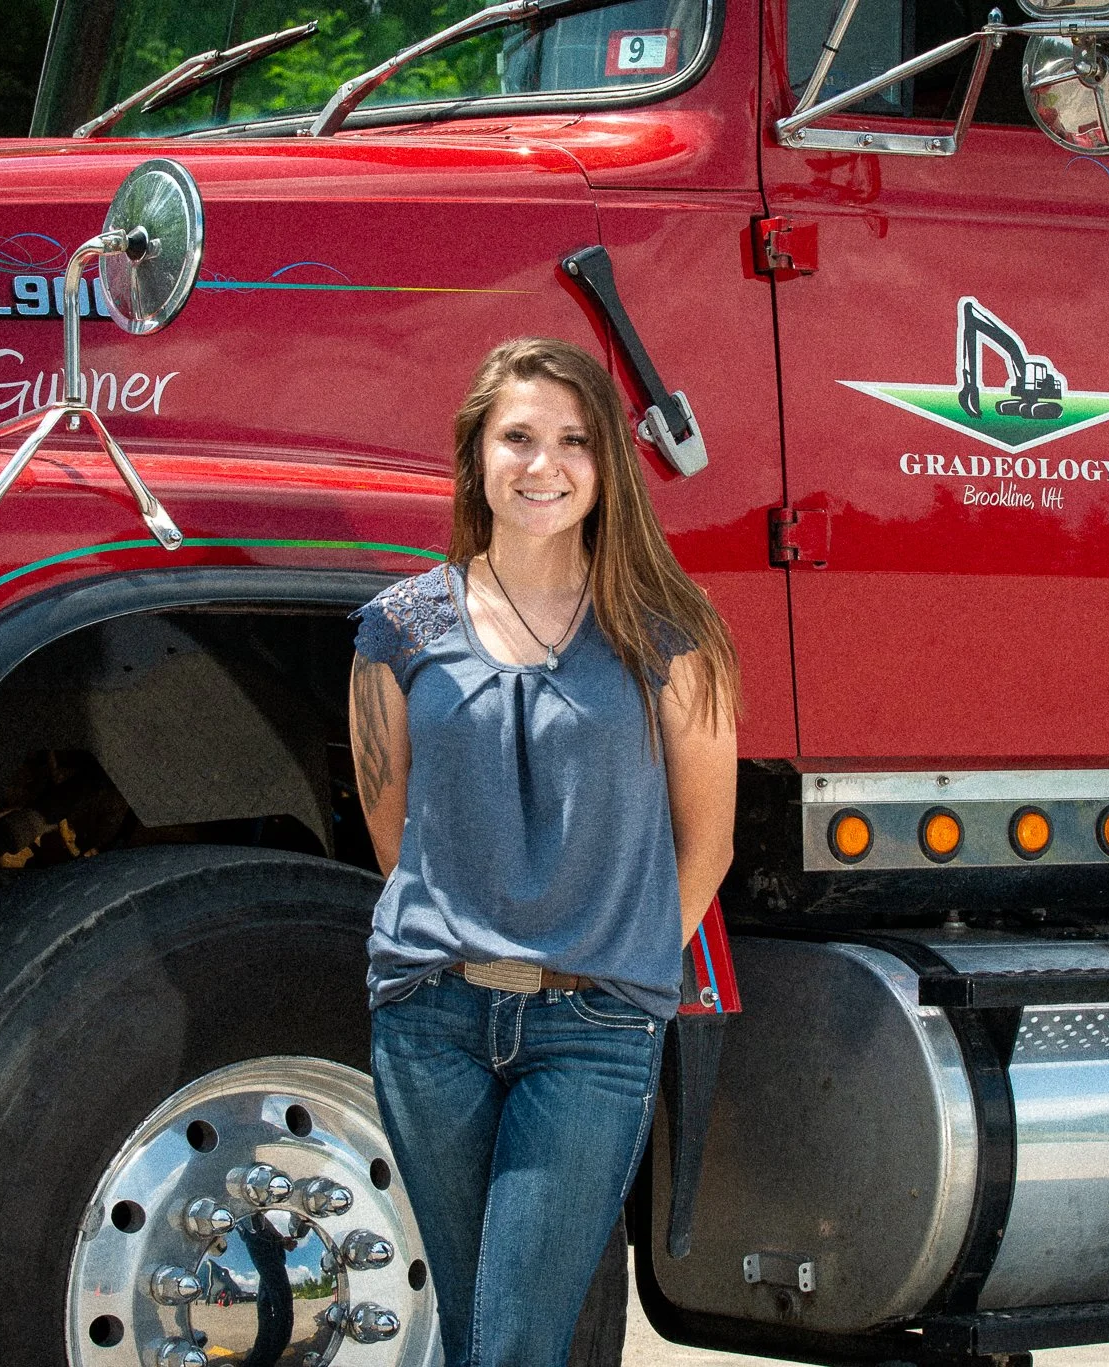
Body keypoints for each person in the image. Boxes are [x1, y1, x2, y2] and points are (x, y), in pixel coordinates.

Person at [347, 336, 740, 1366]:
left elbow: (709, 839)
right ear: (476, 453)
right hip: (429, 1018)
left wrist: (625, 965)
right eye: (516, 436)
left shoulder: (667, 631)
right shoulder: (394, 629)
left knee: (513, 1342)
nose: (542, 463)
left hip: (594, 1024)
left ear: (606, 463)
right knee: (484, 1330)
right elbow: (392, 831)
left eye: (572, 440)